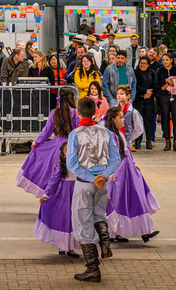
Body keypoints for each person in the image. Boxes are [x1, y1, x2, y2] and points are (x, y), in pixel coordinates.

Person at [66, 95, 122, 283]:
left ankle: (92, 268)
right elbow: (115, 159)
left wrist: (92, 178)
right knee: (99, 214)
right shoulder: (105, 132)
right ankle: (105, 242)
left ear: (79, 112)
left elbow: (72, 164)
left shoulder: (75, 134)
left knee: (83, 223)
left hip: (84, 183)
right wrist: (103, 177)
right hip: (102, 183)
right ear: (96, 112)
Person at [103, 106, 159, 244]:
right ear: (113, 119)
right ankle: (114, 232)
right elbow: (108, 155)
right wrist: (109, 172)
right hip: (119, 173)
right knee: (118, 202)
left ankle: (136, 231)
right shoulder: (110, 135)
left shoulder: (119, 134)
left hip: (128, 171)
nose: (123, 119)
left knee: (133, 199)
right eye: (120, 117)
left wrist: (133, 164)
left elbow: (126, 151)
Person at [17, 86, 78, 199]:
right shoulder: (75, 113)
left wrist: (36, 142)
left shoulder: (54, 113)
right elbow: (79, 131)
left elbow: (46, 132)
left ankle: (50, 196)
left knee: (53, 174)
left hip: (56, 146)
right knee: (70, 175)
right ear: (72, 98)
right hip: (71, 146)